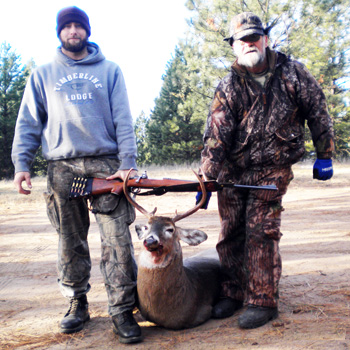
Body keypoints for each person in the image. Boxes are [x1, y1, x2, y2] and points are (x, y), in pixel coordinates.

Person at [11, 6, 142, 344]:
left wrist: (127, 162)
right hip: (62, 167)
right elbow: (28, 122)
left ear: (87, 31)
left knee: (117, 241)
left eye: (78, 26)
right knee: (70, 242)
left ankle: (122, 310)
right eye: (66, 27)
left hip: (107, 165)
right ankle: (77, 302)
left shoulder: (110, 71)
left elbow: (124, 119)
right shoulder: (42, 75)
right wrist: (21, 164)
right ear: (59, 33)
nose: (72, 32)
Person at [198, 12, 334, 329]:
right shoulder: (228, 86)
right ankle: (233, 292)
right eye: (242, 40)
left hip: (273, 168)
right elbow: (217, 134)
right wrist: (208, 174)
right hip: (234, 170)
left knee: (261, 230)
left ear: (265, 39)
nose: (249, 43)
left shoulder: (293, 74)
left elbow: (318, 110)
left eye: (254, 37)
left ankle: (262, 301)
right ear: (233, 46)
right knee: (230, 233)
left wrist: (324, 154)